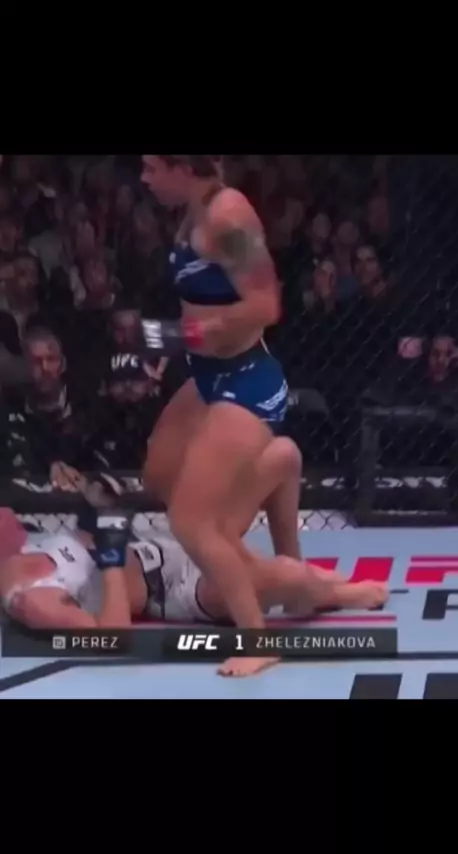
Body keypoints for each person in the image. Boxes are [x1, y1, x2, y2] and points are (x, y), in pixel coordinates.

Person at [0, 440, 387, 677]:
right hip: (175, 590)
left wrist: (97, 504)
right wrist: (111, 559)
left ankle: (303, 593)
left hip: (177, 544)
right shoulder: (31, 599)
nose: (6, 511)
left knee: (284, 456)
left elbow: (101, 526)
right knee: (286, 575)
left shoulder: (32, 547)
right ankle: (326, 593)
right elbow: (112, 638)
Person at [140, 154, 290, 676]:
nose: (143, 179)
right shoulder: (192, 212)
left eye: (151, 167)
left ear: (182, 166)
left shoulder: (229, 215)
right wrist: (170, 343)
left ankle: (257, 640)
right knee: (158, 474)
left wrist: (192, 334)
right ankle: (246, 559)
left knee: (189, 520)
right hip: (206, 376)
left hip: (248, 381)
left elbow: (266, 304)